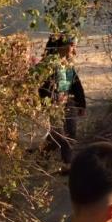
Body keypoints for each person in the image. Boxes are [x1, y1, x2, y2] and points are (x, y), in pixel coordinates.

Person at [39, 35, 86, 165]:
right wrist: (51, 100)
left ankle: (65, 162)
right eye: (72, 45)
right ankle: (53, 158)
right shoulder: (46, 65)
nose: (74, 50)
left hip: (69, 103)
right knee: (59, 136)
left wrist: (82, 104)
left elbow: (76, 85)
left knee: (70, 133)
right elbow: (41, 89)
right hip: (53, 105)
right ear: (60, 46)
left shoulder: (68, 64)